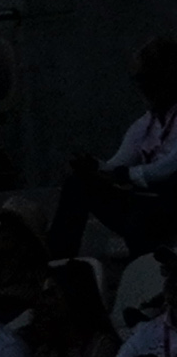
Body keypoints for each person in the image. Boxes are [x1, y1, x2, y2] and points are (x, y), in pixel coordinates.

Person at [54, 40, 177, 265]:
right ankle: (56, 261)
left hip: (170, 200)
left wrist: (125, 175)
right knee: (77, 184)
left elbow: (168, 167)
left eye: (147, 79)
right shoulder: (144, 125)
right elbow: (119, 162)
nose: (142, 88)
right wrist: (93, 167)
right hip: (146, 198)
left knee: (152, 207)